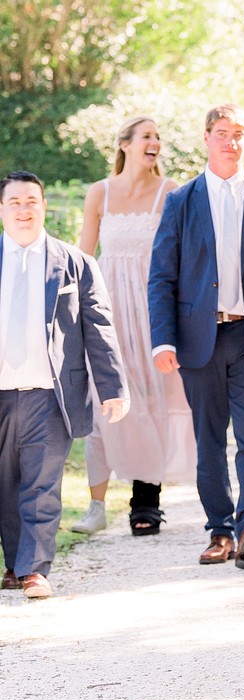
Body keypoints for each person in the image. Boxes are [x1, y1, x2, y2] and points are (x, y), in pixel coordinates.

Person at [147, 104, 244, 571]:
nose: (231, 141)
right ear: (206, 139)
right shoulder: (181, 200)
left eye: (239, 133)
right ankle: (219, 529)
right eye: (222, 133)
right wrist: (164, 339)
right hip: (199, 339)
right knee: (209, 438)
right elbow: (161, 276)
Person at [0, 172, 128, 597]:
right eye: (15, 202)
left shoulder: (74, 262)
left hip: (49, 393)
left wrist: (112, 388)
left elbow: (100, 328)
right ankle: (15, 563)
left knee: (41, 484)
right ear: (2, 209)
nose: (24, 209)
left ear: (43, 206)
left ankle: (35, 568)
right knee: (6, 483)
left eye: (31, 201)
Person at [72, 116, 195, 538]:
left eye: (159, 137)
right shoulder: (99, 193)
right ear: (125, 144)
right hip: (106, 308)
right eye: (147, 136)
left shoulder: (171, 192)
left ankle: (146, 502)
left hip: (153, 310)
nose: (155, 142)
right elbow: (84, 257)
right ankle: (95, 505)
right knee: (101, 398)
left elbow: (180, 259)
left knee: (151, 398)